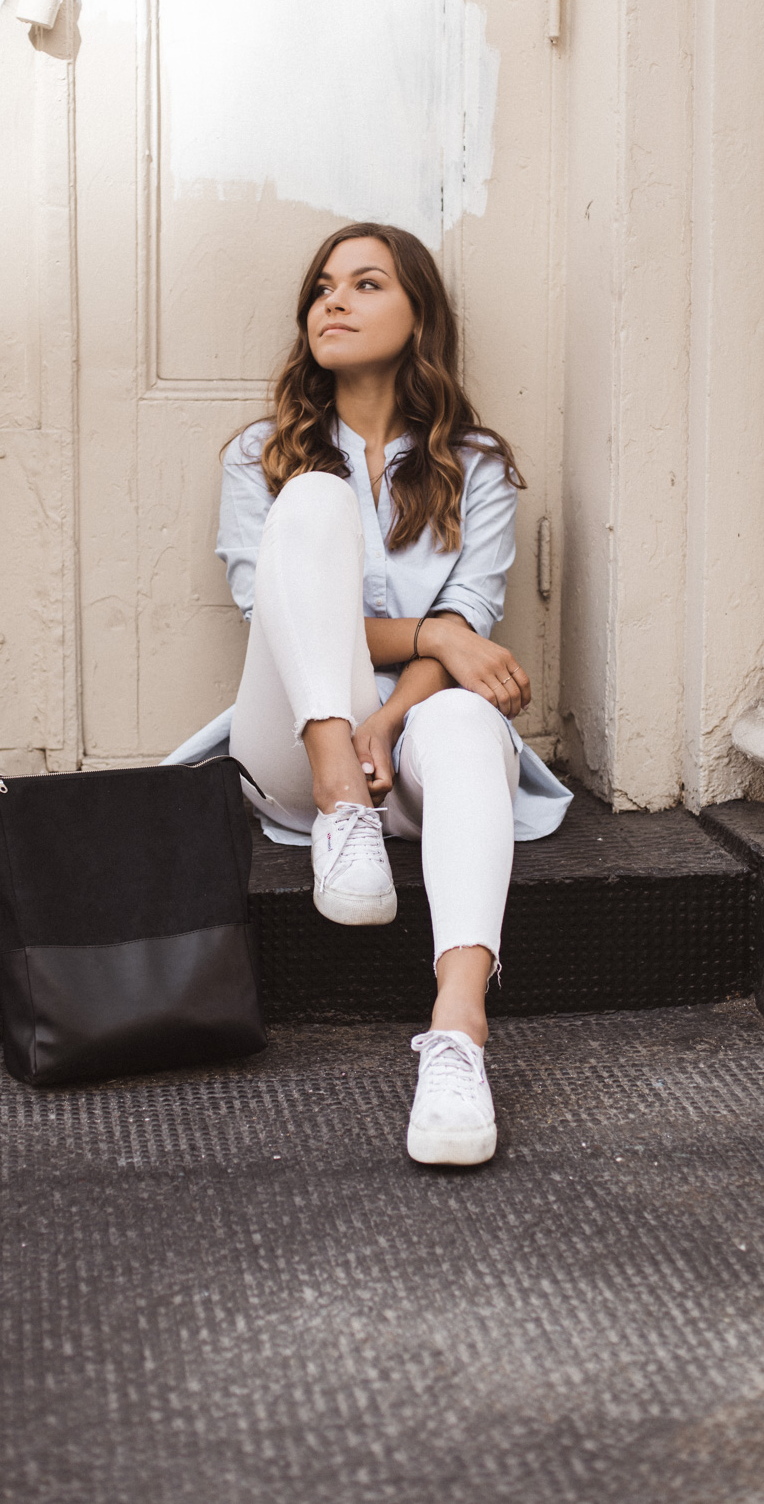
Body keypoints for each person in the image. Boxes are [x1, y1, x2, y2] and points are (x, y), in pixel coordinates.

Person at [166, 222, 571, 1165]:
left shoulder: (475, 464)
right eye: (321, 288)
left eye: (364, 283)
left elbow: (469, 623)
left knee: (463, 715)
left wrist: (393, 712)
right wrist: (430, 636)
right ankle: (339, 801)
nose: (333, 302)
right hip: (294, 749)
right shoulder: (261, 455)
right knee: (315, 501)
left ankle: (458, 1035)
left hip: (415, 750)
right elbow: (272, 615)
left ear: (418, 315)